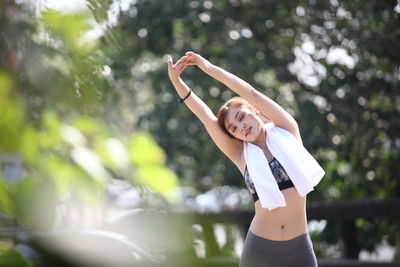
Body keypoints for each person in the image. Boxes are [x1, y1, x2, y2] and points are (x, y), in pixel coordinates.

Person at [167, 51, 324, 267]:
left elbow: (250, 92)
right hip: (260, 250)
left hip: (299, 249)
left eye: (241, 117)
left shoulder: (287, 130)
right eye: (233, 128)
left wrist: (209, 68)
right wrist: (177, 82)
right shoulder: (242, 156)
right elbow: (207, 119)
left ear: (255, 111)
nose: (241, 127)